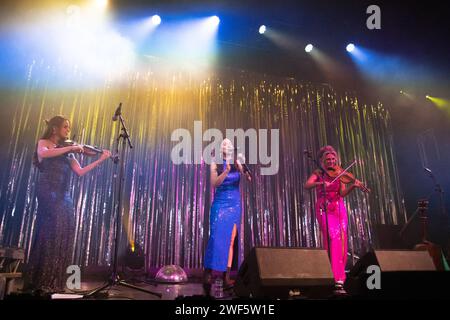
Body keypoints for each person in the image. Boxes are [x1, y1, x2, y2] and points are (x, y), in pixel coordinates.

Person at [25, 115, 111, 294]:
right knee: (51, 231)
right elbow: (44, 154)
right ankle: (41, 279)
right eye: (65, 127)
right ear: (54, 128)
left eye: (68, 128)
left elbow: (79, 171)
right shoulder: (45, 143)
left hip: (64, 195)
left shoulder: (67, 151)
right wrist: (71, 147)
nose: (67, 131)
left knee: (66, 230)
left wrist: (100, 160)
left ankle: (55, 280)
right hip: (48, 190)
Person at [304, 145, 365, 291]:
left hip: (339, 209)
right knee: (333, 238)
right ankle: (333, 274)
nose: (331, 161)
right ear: (323, 160)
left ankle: (340, 277)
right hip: (324, 207)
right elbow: (307, 185)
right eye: (328, 159)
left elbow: (342, 194)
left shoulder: (340, 172)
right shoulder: (318, 172)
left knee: (342, 240)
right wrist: (320, 183)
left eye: (333, 159)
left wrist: (354, 186)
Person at [203, 138, 251, 295]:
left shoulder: (237, 162)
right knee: (215, 238)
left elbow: (249, 178)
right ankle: (208, 273)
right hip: (220, 203)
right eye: (223, 143)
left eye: (229, 144)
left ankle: (226, 276)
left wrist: (242, 169)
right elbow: (214, 183)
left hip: (234, 204)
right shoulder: (215, 162)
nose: (226, 145)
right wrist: (225, 171)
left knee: (231, 240)